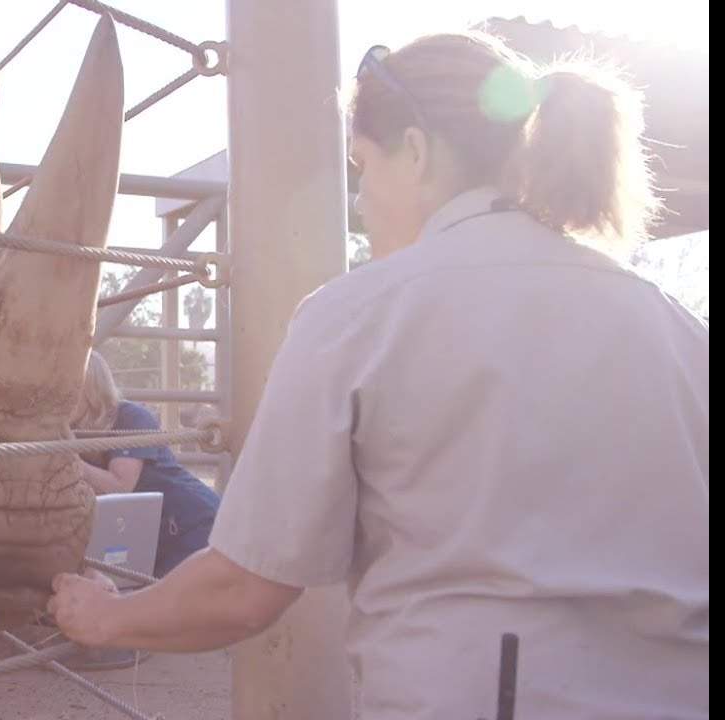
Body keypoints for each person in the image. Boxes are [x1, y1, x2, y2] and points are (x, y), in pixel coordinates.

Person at [49, 31, 708, 718]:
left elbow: (245, 590)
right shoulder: (676, 326)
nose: (360, 205)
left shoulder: (359, 314)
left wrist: (107, 617)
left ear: (416, 152)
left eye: (363, 167)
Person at [71, 349, 221, 578]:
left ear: (88, 388)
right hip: (151, 538)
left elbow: (121, 487)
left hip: (193, 522)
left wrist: (67, 459)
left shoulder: (129, 415)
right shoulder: (73, 431)